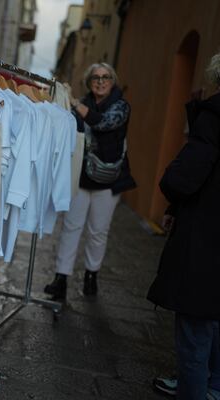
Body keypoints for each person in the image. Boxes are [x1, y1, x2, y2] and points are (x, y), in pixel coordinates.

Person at [147, 52, 220, 400]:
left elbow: (190, 173)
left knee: (195, 327)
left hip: (207, 236)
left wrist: (171, 189)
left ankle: (194, 391)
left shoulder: (214, 116)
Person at [43, 63, 136, 300]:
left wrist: (75, 104)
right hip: (82, 177)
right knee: (71, 227)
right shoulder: (81, 104)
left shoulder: (121, 106)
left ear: (112, 81)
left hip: (109, 180)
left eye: (106, 77)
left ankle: (91, 275)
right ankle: (61, 278)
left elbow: (104, 123)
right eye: (95, 77)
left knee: (98, 231)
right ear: (89, 81)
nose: (101, 81)